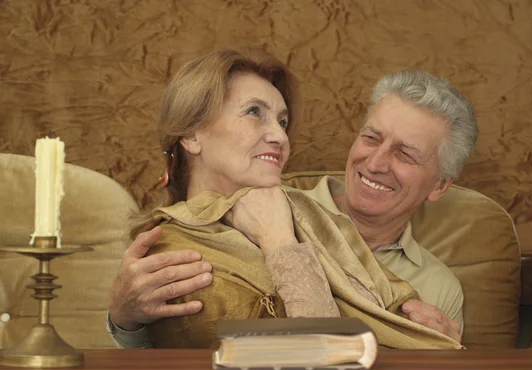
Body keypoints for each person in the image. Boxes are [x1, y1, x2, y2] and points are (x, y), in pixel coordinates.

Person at [108, 56, 478, 348]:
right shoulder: (175, 239)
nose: (377, 163)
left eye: (406, 155)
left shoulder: (438, 287)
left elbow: (330, 366)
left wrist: (444, 358)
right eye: (371, 137)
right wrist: (124, 320)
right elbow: (172, 355)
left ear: (440, 186)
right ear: (191, 133)